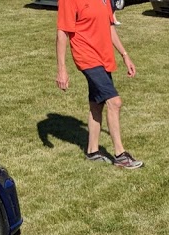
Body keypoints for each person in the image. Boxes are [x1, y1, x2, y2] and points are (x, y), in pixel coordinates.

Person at [55, 0, 143, 168]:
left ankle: (92, 151)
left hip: (104, 58)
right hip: (87, 57)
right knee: (114, 102)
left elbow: (109, 26)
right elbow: (62, 32)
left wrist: (125, 55)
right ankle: (120, 155)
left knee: (97, 103)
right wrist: (62, 70)